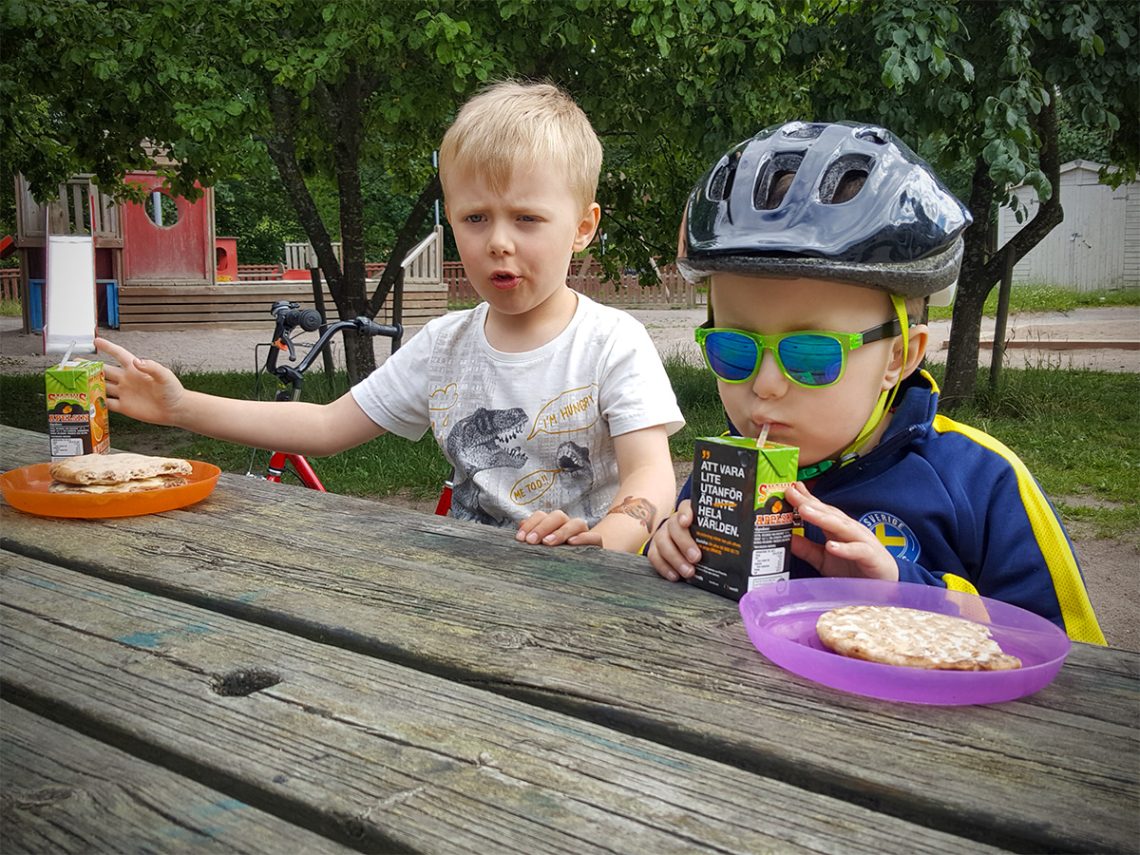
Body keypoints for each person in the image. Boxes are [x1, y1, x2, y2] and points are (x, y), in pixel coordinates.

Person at [97, 80, 684, 554]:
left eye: (527, 218)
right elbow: (327, 427)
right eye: (475, 218)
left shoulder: (612, 343)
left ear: (583, 227)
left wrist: (604, 541)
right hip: (465, 589)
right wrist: (180, 407)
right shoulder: (445, 344)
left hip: (588, 593)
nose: (498, 242)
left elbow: (651, 479)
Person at [648, 120, 1104, 643]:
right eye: (734, 351)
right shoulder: (724, 474)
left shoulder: (984, 484)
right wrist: (666, 550)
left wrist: (903, 593)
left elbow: (1071, 660)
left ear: (899, 357)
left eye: (813, 356)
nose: (766, 385)